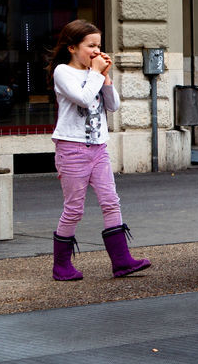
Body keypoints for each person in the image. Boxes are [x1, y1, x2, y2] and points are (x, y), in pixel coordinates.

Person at [47, 19, 150, 281]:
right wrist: (95, 73)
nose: (96, 51)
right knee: (74, 208)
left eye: (99, 46)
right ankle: (61, 266)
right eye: (90, 45)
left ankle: (122, 261)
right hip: (71, 148)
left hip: (99, 148)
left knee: (111, 201)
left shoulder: (95, 73)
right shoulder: (63, 72)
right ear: (72, 48)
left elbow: (113, 105)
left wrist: (105, 76)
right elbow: (81, 98)